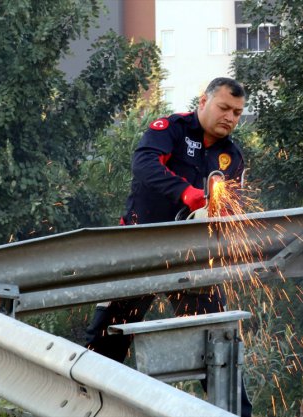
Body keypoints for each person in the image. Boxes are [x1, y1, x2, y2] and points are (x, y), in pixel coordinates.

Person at [85, 77, 252, 416]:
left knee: (217, 345)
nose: (230, 118)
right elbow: (144, 165)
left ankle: (236, 413)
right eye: (224, 108)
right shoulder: (171, 129)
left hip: (193, 259)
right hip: (140, 249)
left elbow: (233, 207)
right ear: (203, 101)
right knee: (107, 341)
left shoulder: (231, 156)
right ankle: (80, 404)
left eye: (237, 113)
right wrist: (185, 192)